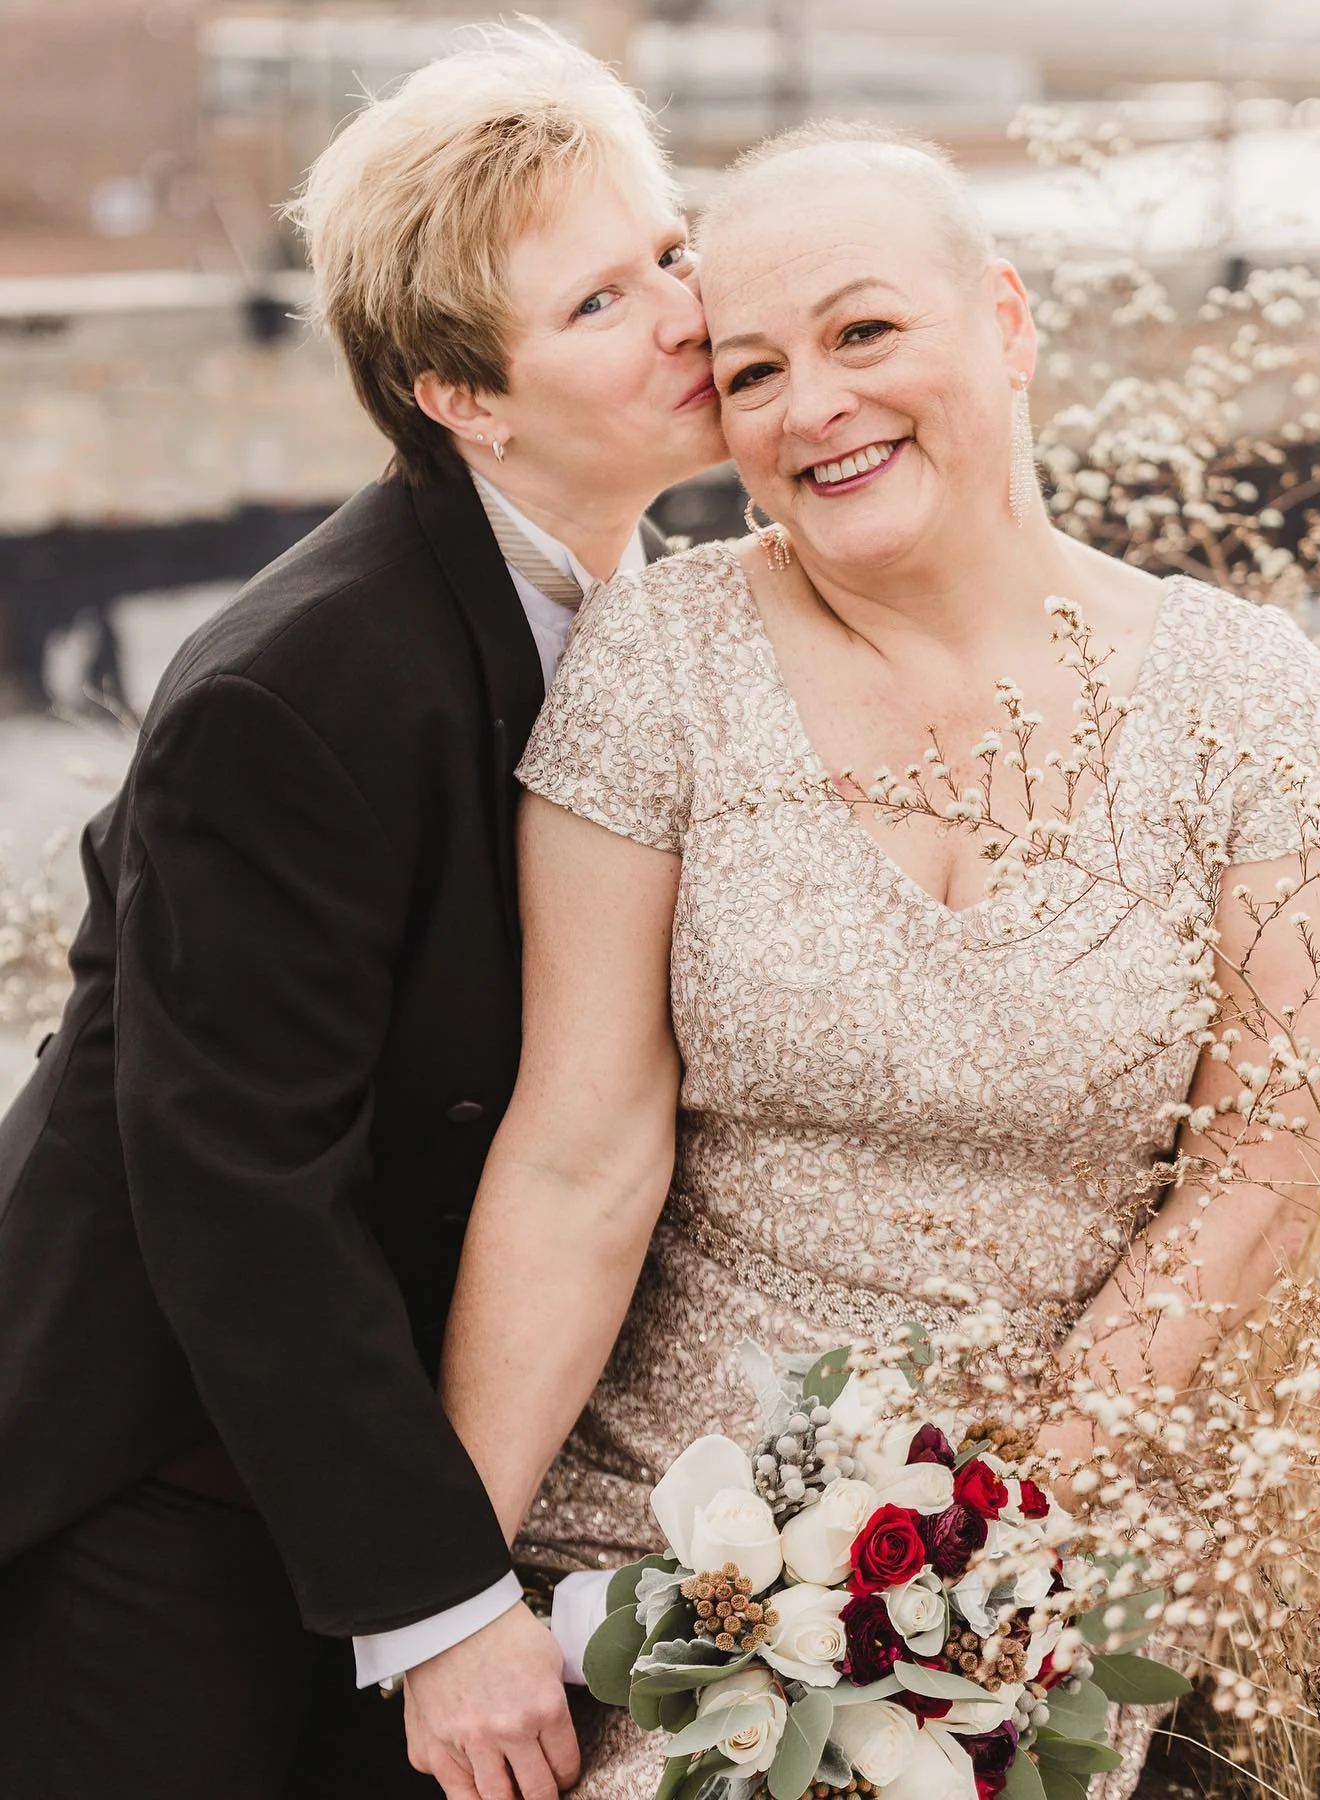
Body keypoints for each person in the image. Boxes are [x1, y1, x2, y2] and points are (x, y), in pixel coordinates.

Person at [438, 124, 1320, 1796]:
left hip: (1042, 1568)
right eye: (753, 370)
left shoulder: (1248, 699)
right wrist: (443, 1598)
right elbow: (577, 1155)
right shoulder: (660, 657)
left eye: (865, 331)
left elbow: (1267, 1168)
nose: (814, 406)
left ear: (1007, 323)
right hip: (656, 1561)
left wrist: (977, 1548)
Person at [0, 25, 722, 1800]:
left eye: (671, 253)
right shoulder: (298, 688)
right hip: (171, 1494)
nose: (687, 318)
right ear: (458, 395)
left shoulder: (681, 616)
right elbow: (237, 1185)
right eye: (601, 303)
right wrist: (437, 1602)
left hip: (422, 1459)